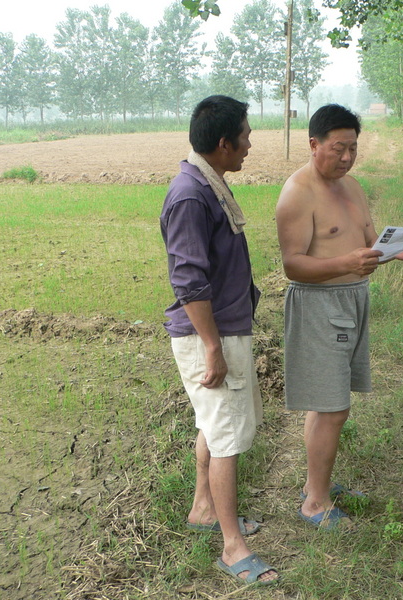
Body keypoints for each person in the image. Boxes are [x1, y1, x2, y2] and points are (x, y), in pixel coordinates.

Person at [276, 104, 403, 530]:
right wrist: (347, 264)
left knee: (330, 404)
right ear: (314, 143)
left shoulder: (352, 187)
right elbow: (292, 266)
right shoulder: (297, 192)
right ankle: (314, 504)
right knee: (332, 407)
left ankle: (315, 485)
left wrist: (395, 250)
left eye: (353, 148)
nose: (346, 158)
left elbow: (367, 241)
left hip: (354, 300)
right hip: (320, 306)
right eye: (338, 149)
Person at [160, 95, 278, 586]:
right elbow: (188, 280)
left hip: (225, 329)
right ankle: (233, 548)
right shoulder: (191, 194)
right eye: (246, 137)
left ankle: (203, 509)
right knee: (227, 437)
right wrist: (211, 346)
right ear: (224, 143)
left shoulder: (210, 184)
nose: (250, 145)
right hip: (212, 335)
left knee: (214, 424)